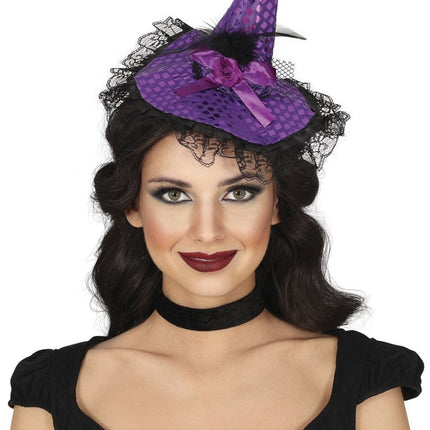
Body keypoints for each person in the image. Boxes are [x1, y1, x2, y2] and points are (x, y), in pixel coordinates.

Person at [8, 0, 424, 429]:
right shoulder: (49, 389)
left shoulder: (365, 379)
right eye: (174, 195)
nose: (207, 232)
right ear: (132, 205)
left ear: (277, 204)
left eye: (239, 193)